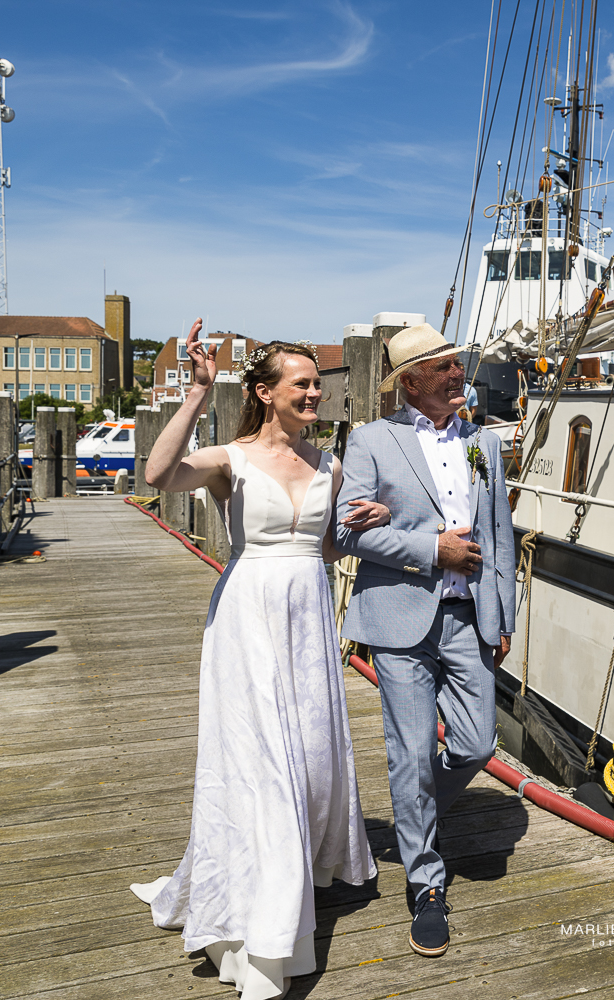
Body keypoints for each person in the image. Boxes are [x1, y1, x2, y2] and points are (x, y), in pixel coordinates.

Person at [132, 321, 381, 1000]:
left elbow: (326, 547)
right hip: (246, 618)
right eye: (303, 384)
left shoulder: (330, 463)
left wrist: (371, 524)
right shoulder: (232, 458)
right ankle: (267, 944)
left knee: (308, 760)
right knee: (261, 765)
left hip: (307, 618)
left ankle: (287, 886)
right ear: (266, 393)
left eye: (317, 385)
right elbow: (157, 475)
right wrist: (195, 393)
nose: (315, 394)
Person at [332, 323, 515, 959]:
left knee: (477, 741)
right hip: (401, 618)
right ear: (411, 381)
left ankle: (415, 805)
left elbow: (500, 534)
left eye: (458, 364)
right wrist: (429, 550)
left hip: (470, 618)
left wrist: (506, 614)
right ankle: (425, 883)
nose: (459, 374)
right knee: (410, 753)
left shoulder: (484, 443)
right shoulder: (371, 442)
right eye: (444, 367)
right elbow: (346, 532)